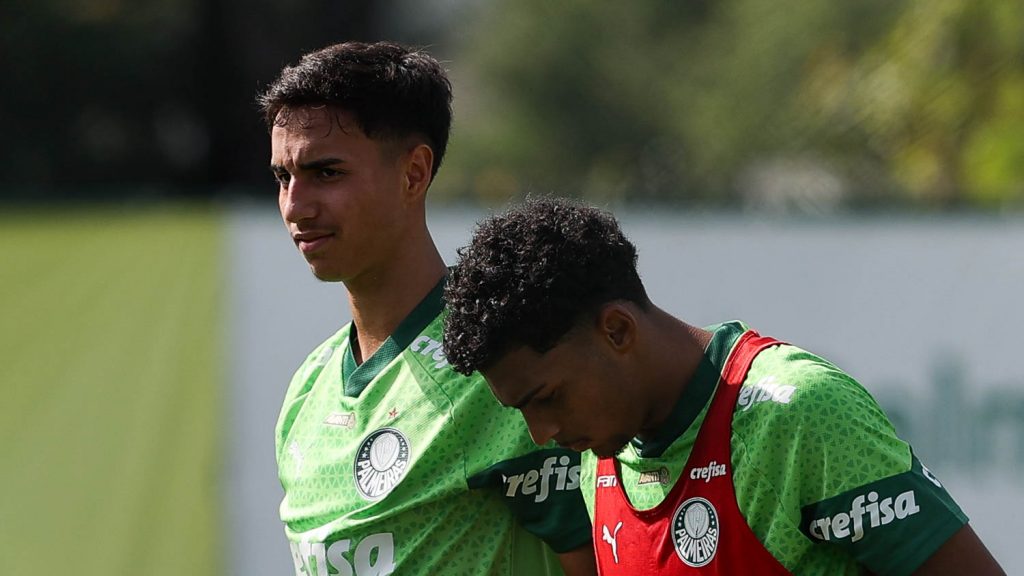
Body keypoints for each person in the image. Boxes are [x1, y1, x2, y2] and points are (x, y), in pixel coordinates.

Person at [442, 197, 1005, 575]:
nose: (542, 434)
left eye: (546, 399)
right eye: (522, 411)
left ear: (617, 330)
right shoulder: (600, 453)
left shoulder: (797, 411)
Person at [258, 43, 595, 575]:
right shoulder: (307, 390)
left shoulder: (501, 368)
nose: (296, 206)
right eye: (283, 178)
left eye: (326, 173)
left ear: (413, 173)